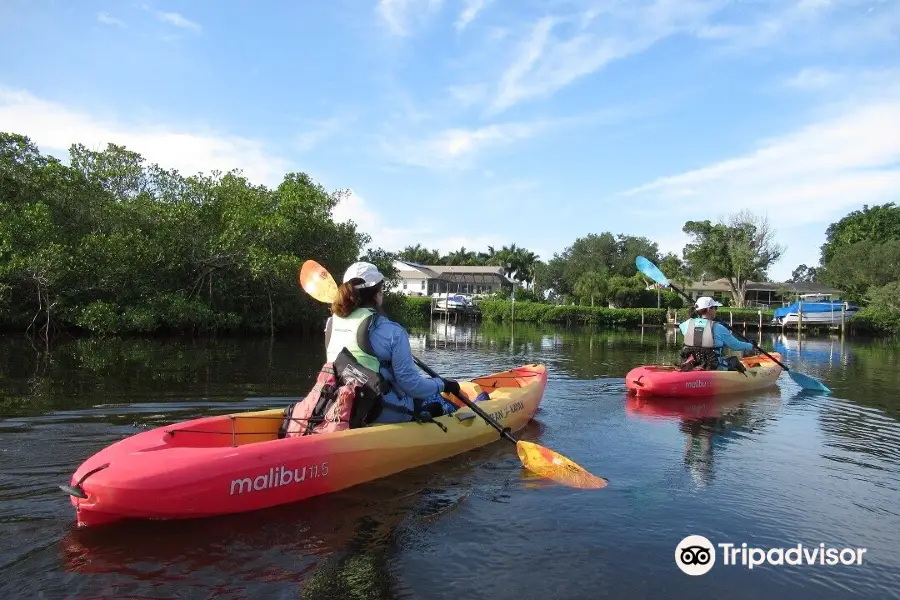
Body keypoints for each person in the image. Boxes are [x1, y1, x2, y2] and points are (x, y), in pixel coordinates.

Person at [322, 261, 461, 424]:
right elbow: (411, 385)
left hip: (340, 405)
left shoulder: (331, 324)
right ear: (377, 293)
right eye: (382, 289)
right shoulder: (393, 332)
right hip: (381, 412)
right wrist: (443, 384)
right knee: (439, 399)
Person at [678, 296, 754, 372]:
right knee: (734, 360)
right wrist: (751, 345)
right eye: (715, 308)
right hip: (713, 366)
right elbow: (736, 346)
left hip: (693, 363)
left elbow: (681, 327)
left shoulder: (687, 324)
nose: (716, 310)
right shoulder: (718, 327)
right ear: (709, 309)